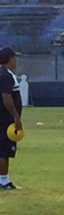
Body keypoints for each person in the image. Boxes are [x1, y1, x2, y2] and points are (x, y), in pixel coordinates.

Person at [0, 47, 23, 190]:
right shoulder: (5, 75)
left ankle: (4, 180)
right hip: (5, 119)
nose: (16, 61)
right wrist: (16, 117)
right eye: (15, 58)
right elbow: (6, 98)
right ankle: (3, 181)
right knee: (4, 150)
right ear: (10, 59)